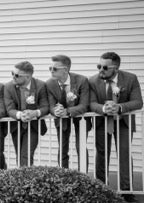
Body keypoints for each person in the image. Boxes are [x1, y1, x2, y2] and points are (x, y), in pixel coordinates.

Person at [89, 52, 143, 203]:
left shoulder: (130, 78)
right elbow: (91, 103)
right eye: (98, 66)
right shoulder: (93, 80)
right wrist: (104, 109)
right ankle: (100, 189)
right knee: (101, 154)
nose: (100, 70)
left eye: (105, 67)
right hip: (102, 122)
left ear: (116, 68)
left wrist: (119, 107)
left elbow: (138, 102)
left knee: (125, 154)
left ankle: (127, 191)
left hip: (124, 122)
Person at [46, 55, 91, 171]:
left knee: (80, 146)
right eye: (50, 68)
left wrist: (67, 111)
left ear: (65, 69)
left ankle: (84, 176)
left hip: (80, 117)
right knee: (62, 147)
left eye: (54, 69)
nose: (51, 71)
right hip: (61, 118)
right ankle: (63, 176)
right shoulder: (50, 83)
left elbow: (84, 105)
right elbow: (50, 106)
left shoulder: (82, 80)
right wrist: (56, 111)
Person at [4, 61, 49, 166]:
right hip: (17, 126)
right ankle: (23, 180)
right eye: (12, 73)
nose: (13, 77)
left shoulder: (40, 85)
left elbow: (45, 107)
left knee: (26, 155)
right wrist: (20, 115)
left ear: (28, 77)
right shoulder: (8, 86)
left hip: (33, 126)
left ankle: (26, 180)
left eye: (16, 75)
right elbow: (9, 109)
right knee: (19, 155)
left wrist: (35, 113)